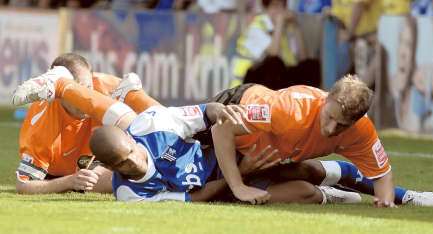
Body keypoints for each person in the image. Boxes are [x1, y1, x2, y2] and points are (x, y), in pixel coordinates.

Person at [12, 66, 363, 205]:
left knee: (131, 115)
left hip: (208, 150)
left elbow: (203, 113)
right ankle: (334, 194)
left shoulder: (123, 109)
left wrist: (224, 120)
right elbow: (24, 185)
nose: (134, 159)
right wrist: (72, 179)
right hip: (203, 178)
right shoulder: (41, 132)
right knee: (303, 185)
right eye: (74, 91)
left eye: (84, 86)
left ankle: (394, 193)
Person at [201, 75, 433, 207]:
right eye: (329, 117)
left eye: (342, 126)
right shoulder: (288, 109)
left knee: (306, 173)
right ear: (326, 99)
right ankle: (327, 194)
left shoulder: (361, 130)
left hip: (268, 155)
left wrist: (386, 200)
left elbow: (381, 174)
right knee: (306, 191)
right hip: (232, 114)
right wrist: (238, 186)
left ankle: (407, 195)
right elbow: (221, 128)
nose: (330, 129)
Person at [14, 53, 160, 194]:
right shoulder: (42, 122)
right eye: (77, 90)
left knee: (142, 144)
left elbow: (159, 119)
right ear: (58, 93)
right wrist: (69, 182)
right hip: (62, 175)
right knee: (112, 178)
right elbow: (24, 185)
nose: (84, 96)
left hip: (98, 161)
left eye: (88, 88)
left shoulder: (109, 86)